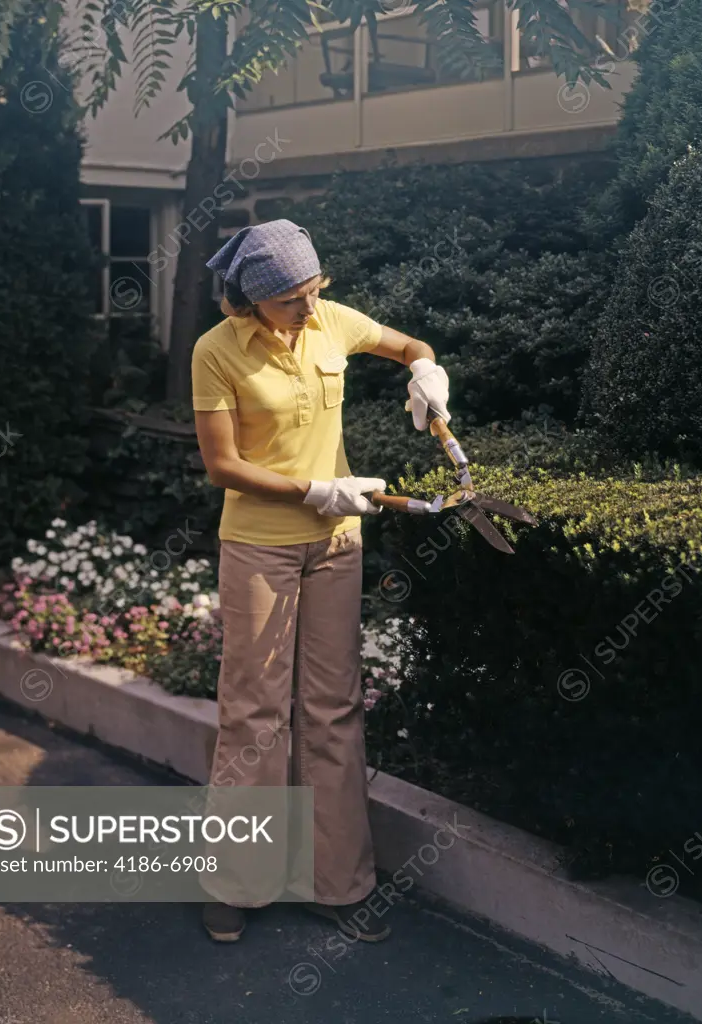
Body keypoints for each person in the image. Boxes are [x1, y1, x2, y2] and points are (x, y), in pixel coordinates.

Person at [191, 219, 450, 944]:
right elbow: (222, 465)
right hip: (260, 548)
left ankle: (337, 882)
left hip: (337, 545)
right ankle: (236, 884)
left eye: (314, 293)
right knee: (254, 713)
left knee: (333, 709)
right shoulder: (216, 352)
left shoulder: (332, 322)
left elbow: (407, 345)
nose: (309, 310)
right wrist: (313, 490)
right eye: (292, 301)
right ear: (250, 301)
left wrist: (425, 374)